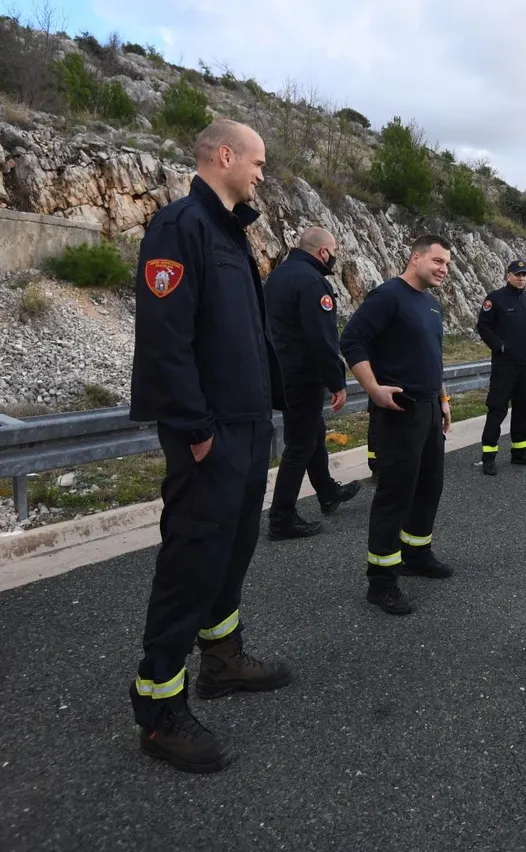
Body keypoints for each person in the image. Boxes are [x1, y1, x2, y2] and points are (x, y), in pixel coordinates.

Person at [127, 118, 293, 773]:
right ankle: (158, 708)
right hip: (210, 436)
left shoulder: (231, 234)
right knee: (191, 565)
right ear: (223, 155)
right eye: (256, 160)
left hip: (249, 429)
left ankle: (222, 661)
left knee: (232, 550)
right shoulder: (180, 228)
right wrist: (196, 431)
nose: (261, 172)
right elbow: (166, 342)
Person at [340, 234, 456, 616]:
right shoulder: (388, 296)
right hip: (398, 411)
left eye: (448, 264)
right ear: (415, 258)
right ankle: (381, 580)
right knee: (395, 494)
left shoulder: (432, 305)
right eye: (437, 261)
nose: (443, 269)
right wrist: (372, 388)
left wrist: (443, 399)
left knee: (429, 486)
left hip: (428, 410)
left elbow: (433, 357)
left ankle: (416, 555)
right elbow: (352, 339)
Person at [263, 226, 361, 538]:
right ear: (322, 253)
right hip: (302, 375)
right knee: (300, 445)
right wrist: (337, 381)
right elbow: (321, 339)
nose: (334, 257)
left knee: (312, 432)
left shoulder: (277, 276)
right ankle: (281, 518)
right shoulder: (312, 281)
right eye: (333, 251)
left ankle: (328, 493)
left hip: (279, 373)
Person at [476, 259, 526, 475]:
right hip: (505, 367)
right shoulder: (495, 299)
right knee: (497, 410)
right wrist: (500, 346)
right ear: (508, 276)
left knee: (523, 411)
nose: (521, 278)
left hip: (525, 366)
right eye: (517, 274)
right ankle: (488, 456)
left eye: (524, 275)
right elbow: (483, 326)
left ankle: (519, 452)